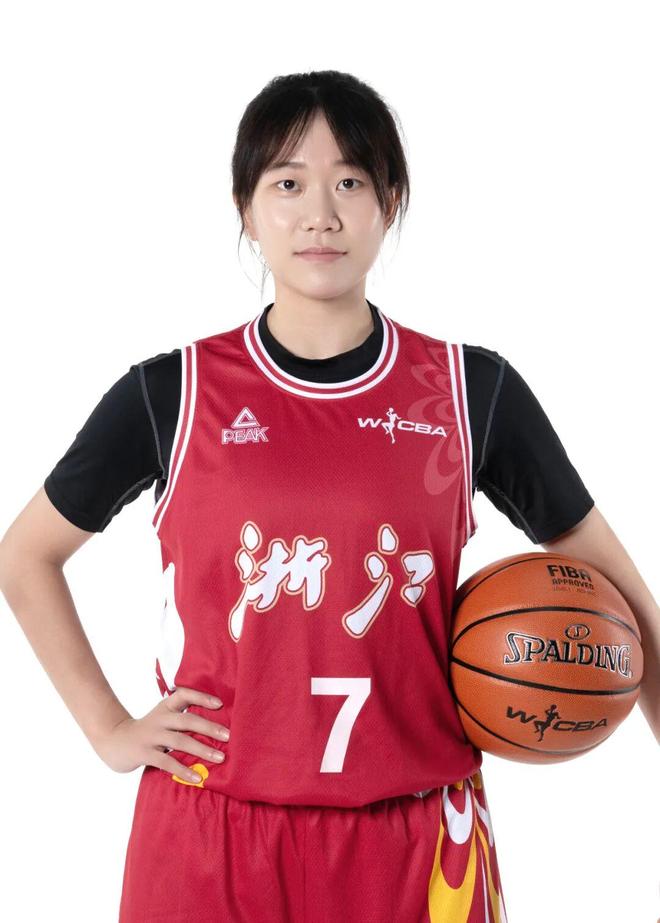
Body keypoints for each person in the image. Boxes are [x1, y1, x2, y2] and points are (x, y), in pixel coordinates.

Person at [2, 68, 633, 922]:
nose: (320, 214)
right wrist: (110, 728)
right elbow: (26, 555)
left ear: (390, 201)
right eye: (288, 183)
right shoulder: (173, 393)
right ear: (246, 207)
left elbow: (619, 591)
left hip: (418, 838)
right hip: (209, 828)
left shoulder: (468, 390)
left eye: (351, 182)